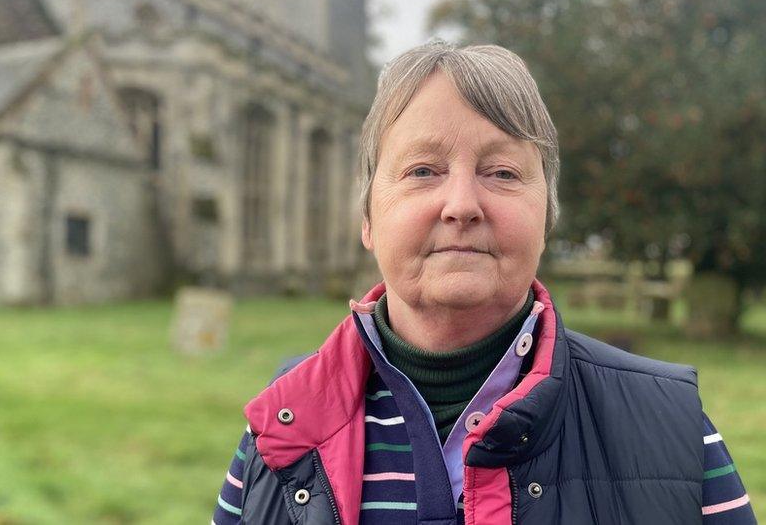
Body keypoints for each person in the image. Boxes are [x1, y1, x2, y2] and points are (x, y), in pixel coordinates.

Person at [213, 41, 757, 525]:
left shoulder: (669, 427)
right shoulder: (279, 429)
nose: (462, 206)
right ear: (368, 220)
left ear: (547, 217)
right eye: (423, 170)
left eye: (502, 173)